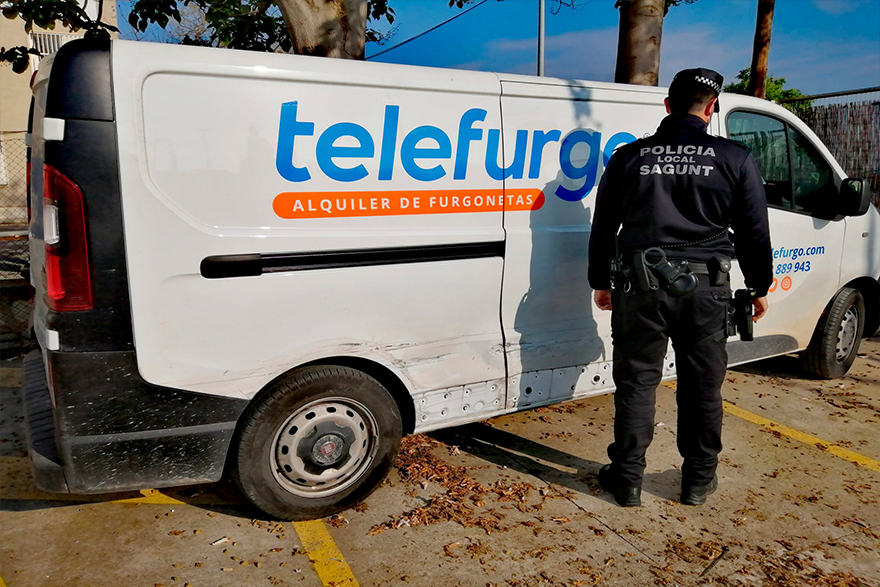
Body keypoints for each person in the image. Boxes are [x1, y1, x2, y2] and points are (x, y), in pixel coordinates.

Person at [588, 68, 773, 507]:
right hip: (707, 291)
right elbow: (754, 232)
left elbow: (603, 228)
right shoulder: (735, 158)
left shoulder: (629, 157)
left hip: (640, 287)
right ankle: (697, 480)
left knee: (637, 382)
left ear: (667, 105)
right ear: (711, 109)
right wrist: (759, 285)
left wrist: (601, 281)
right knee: (703, 386)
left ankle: (628, 479)